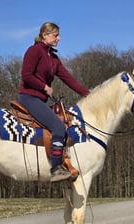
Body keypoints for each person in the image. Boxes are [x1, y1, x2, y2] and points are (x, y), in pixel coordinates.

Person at [18, 22, 90, 182]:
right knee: (58, 127)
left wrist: (88, 94)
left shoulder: (54, 58)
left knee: (62, 122)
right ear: (45, 35)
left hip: (40, 100)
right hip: (29, 98)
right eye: (55, 35)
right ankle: (56, 168)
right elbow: (26, 76)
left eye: (58, 35)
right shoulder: (34, 51)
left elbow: (69, 79)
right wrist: (44, 86)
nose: (59, 38)